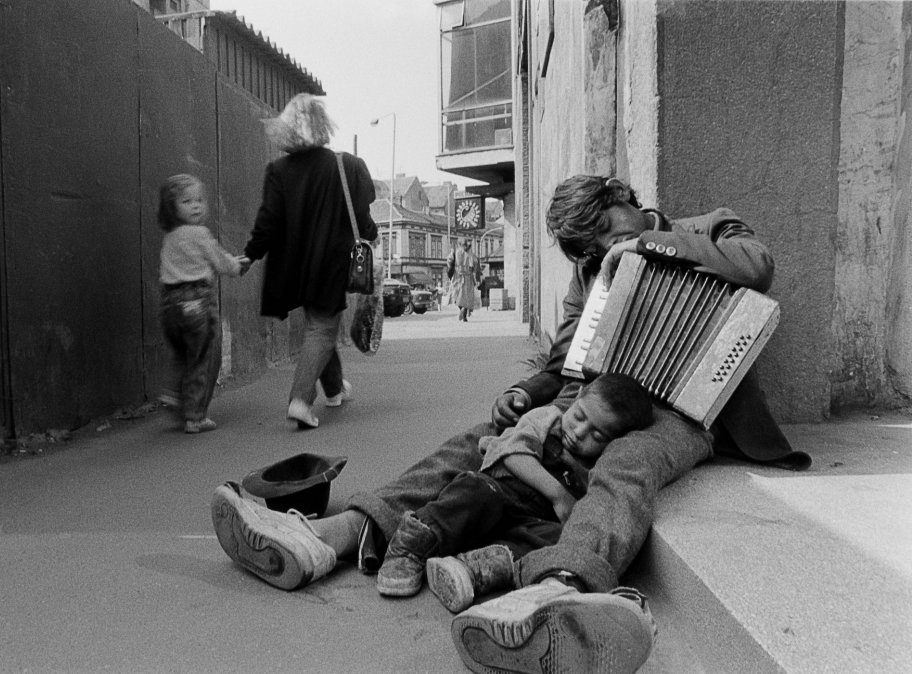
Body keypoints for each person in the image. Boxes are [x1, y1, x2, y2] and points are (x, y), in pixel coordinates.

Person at [211, 174, 811, 673]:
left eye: (607, 228)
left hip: (679, 410)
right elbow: (568, 359)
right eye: (590, 247)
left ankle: (558, 590)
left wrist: (650, 246)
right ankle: (332, 536)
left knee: (628, 463)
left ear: (622, 196)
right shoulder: (591, 275)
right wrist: (526, 393)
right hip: (595, 398)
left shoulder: (709, 227)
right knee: (478, 440)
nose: (606, 246)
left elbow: (757, 265)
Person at [375, 373, 653, 608]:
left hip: (529, 522)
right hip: (500, 493)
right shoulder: (547, 418)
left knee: (558, 537)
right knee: (474, 491)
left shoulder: (598, 465)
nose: (580, 432)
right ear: (577, 396)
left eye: (597, 435)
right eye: (579, 416)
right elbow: (511, 451)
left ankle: (476, 567)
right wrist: (558, 495)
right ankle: (413, 543)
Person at [237, 94, 378, 430]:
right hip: (330, 262)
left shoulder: (277, 171)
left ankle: (334, 389)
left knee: (320, 324)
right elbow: (362, 216)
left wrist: (251, 254)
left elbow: (267, 222)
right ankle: (300, 400)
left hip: (292, 267)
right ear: (322, 125)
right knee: (323, 328)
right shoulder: (345, 165)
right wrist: (371, 237)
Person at [157, 174, 244, 434]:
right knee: (202, 358)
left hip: (170, 305)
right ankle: (195, 416)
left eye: (199, 200)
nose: (195, 205)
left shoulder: (170, 237)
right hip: (197, 302)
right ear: (172, 207)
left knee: (181, 353)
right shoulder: (200, 233)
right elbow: (221, 262)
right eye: (187, 201)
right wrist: (237, 266)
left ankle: (172, 394)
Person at [448, 239, 480, 321]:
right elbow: (476, 264)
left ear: (459, 244)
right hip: (468, 277)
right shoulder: (471, 254)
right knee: (466, 297)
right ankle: (464, 314)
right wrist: (476, 277)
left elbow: (450, 261)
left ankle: (461, 310)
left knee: (456, 295)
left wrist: (450, 272)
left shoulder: (456, 252)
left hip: (457, 276)